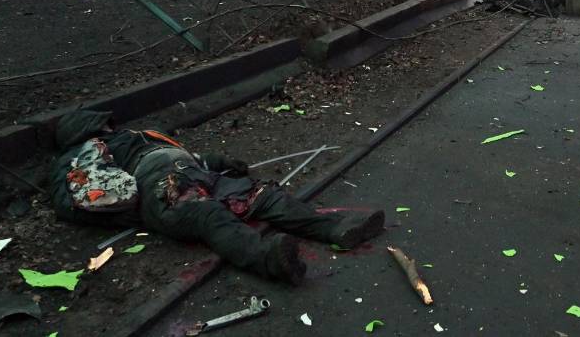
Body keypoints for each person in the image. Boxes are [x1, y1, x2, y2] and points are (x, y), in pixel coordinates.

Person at [48, 110, 385, 285]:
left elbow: (181, 155)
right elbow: (80, 198)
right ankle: (268, 259)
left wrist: (219, 162)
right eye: (103, 125)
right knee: (207, 215)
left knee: (261, 195)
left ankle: (335, 228)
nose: (110, 127)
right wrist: (134, 210)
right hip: (158, 187)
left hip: (190, 171)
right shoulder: (82, 155)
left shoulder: (134, 137)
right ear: (89, 130)